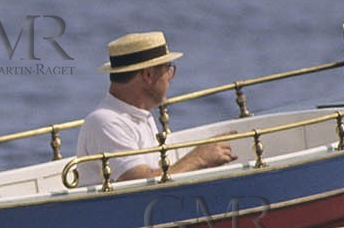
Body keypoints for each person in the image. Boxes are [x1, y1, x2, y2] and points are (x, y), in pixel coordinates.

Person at [75, 31, 235, 183]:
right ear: (148, 75)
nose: (170, 78)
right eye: (169, 69)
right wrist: (200, 158)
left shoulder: (139, 115)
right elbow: (142, 184)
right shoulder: (106, 121)